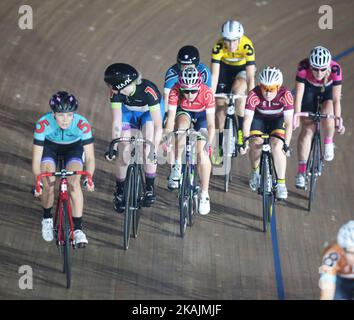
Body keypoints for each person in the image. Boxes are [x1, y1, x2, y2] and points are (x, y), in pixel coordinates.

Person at [32, 91, 95, 247]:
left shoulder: (82, 124)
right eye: (61, 115)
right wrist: (38, 181)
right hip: (50, 148)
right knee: (48, 181)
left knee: (74, 183)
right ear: (53, 114)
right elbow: (36, 159)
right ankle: (47, 218)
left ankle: (78, 229)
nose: (65, 120)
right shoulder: (42, 124)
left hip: (73, 149)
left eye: (69, 115)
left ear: (74, 114)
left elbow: (91, 157)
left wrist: (89, 177)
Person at [104, 63, 163, 212]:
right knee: (123, 150)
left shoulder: (149, 91)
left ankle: (149, 187)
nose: (110, 87)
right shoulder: (115, 93)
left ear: (121, 84)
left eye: (112, 84)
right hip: (127, 113)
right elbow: (117, 120)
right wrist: (114, 146)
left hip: (148, 114)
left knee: (148, 141)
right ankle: (120, 190)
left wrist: (154, 150)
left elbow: (157, 125)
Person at [165, 66, 215, 215]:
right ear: (180, 87)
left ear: (199, 86)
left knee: (201, 151)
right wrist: (167, 138)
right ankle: (177, 166)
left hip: (202, 116)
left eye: (193, 90)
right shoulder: (174, 91)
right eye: (185, 90)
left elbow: (211, 124)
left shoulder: (207, 93)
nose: (189, 94)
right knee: (180, 127)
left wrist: (209, 143)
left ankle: (204, 194)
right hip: (185, 113)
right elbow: (170, 120)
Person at [294, 46, 345, 189]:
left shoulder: (336, 69)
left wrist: (338, 121)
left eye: (322, 69)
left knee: (328, 108)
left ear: (328, 66)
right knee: (308, 129)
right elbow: (298, 95)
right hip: (309, 92)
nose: (319, 72)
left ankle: (329, 142)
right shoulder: (303, 67)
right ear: (310, 65)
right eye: (315, 68)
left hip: (328, 93)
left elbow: (336, 100)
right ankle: (301, 171)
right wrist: (296, 116)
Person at [241, 67, 293, 200]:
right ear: (260, 86)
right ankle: (255, 170)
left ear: (278, 87)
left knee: (276, 147)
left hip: (277, 120)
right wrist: (245, 141)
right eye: (265, 88)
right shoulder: (253, 94)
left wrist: (286, 144)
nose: (268, 93)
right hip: (258, 119)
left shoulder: (286, 95)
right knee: (255, 143)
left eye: (272, 89)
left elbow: (288, 123)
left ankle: (281, 184)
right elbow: (247, 120)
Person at [211, 19, 256, 164]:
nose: (231, 45)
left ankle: (242, 136)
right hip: (225, 70)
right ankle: (219, 145)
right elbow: (215, 75)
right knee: (220, 109)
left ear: (240, 38)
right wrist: (211, 95)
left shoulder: (247, 45)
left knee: (238, 91)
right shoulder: (218, 47)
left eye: (234, 41)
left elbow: (250, 77)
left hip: (242, 70)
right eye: (227, 41)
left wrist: (252, 96)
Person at [164, 45, 211, 117]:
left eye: (189, 65)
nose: (186, 68)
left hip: (201, 107)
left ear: (196, 64)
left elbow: (210, 97)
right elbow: (166, 98)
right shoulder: (172, 73)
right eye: (183, 65)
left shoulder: (204, 72)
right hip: (183, 106)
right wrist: (166, 116)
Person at [319, 220, 354, 300]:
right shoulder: (331, 258)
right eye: (353, 253)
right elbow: (326, 296)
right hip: (340, 280)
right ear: (343, 251)